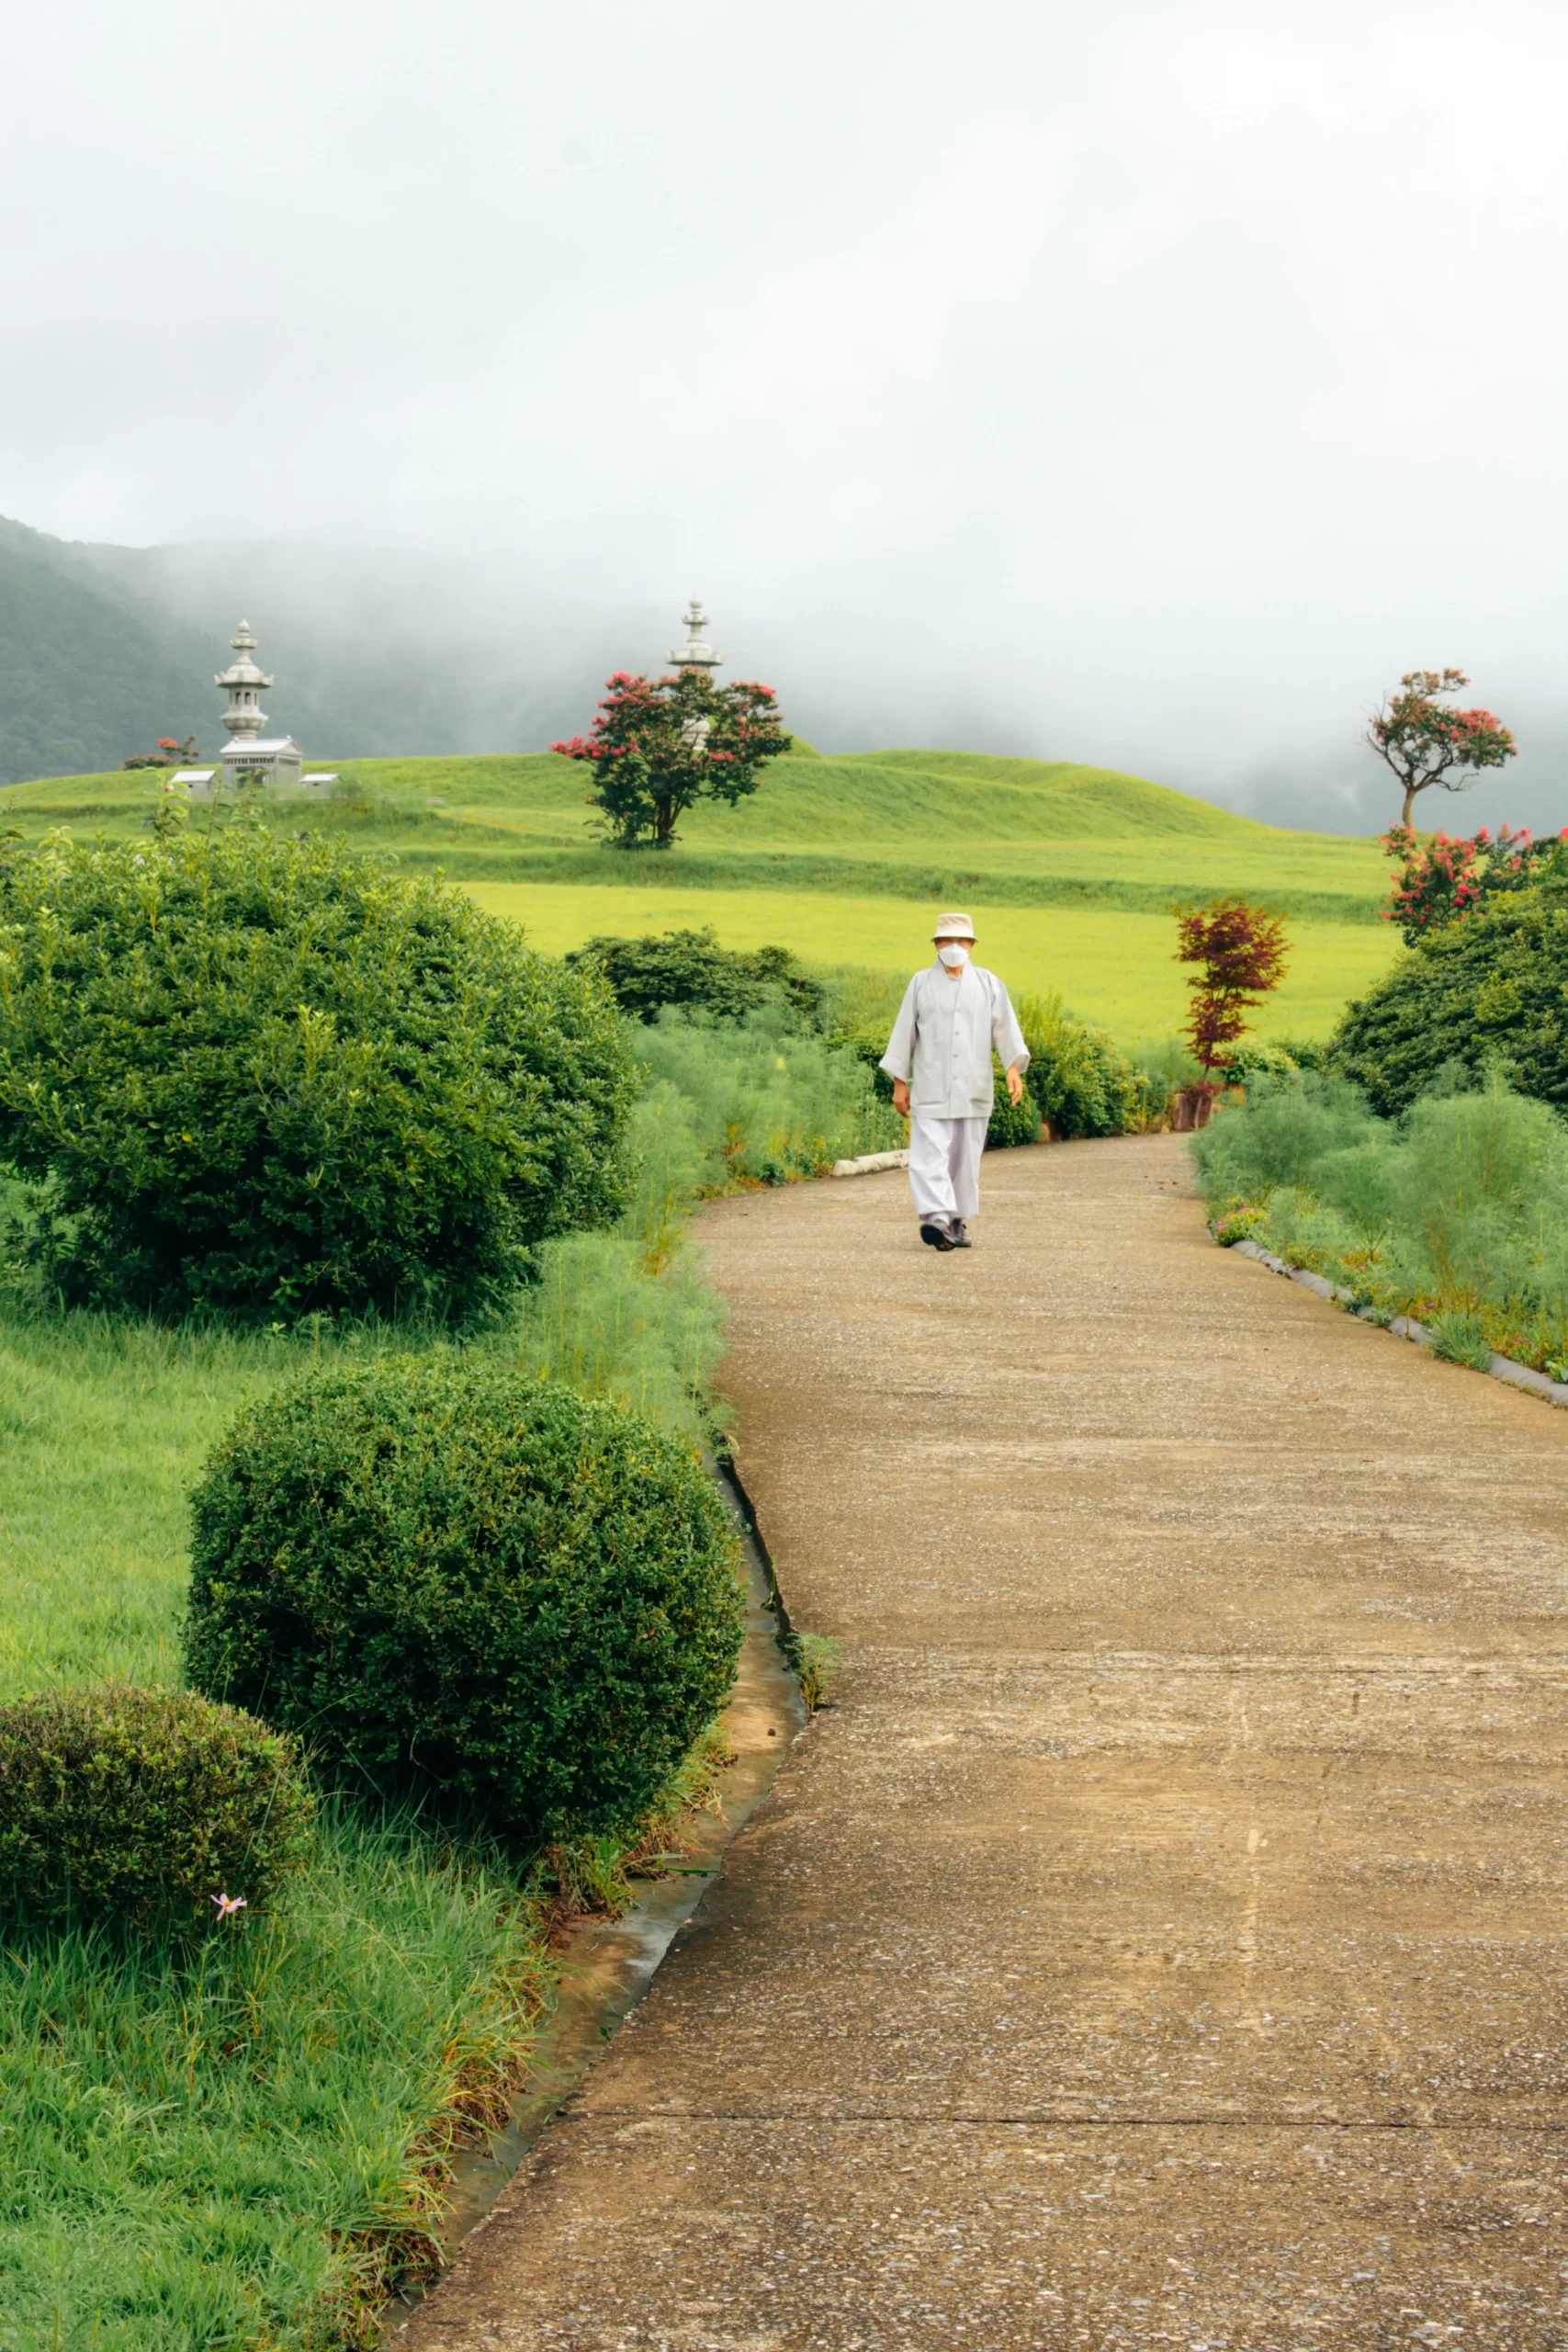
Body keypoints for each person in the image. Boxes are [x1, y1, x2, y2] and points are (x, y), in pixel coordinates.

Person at [879, 912, 1030, 1251]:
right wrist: (899, 1083)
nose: (954, 947)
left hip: (973, 1088)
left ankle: (956, 1221)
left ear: (972, 946)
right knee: (929, 1155)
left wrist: (1012, 1068)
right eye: (946, 941)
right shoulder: (920, 984)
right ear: (935, 944)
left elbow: (1005, 1029)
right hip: (930, 1087)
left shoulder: (989, 984)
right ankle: (937, 1218)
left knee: (964, 1159)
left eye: (961, 941)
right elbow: (904, 1033)